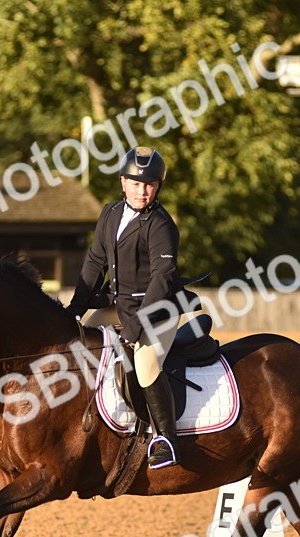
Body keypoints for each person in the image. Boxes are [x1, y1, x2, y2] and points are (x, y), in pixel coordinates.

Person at [66, 147, 201, 470]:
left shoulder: (161, 224)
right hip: (119, 305)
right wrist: (74, 309)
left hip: (157, 310)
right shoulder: (110, 214)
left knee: (145, 363)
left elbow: (163, 277)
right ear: (123, 182)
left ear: (158, 187)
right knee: (78, 342)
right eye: (137, 184)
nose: (143, 191)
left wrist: (136, 328)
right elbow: (95, 263)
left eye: (150, 184)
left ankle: (166, 439)